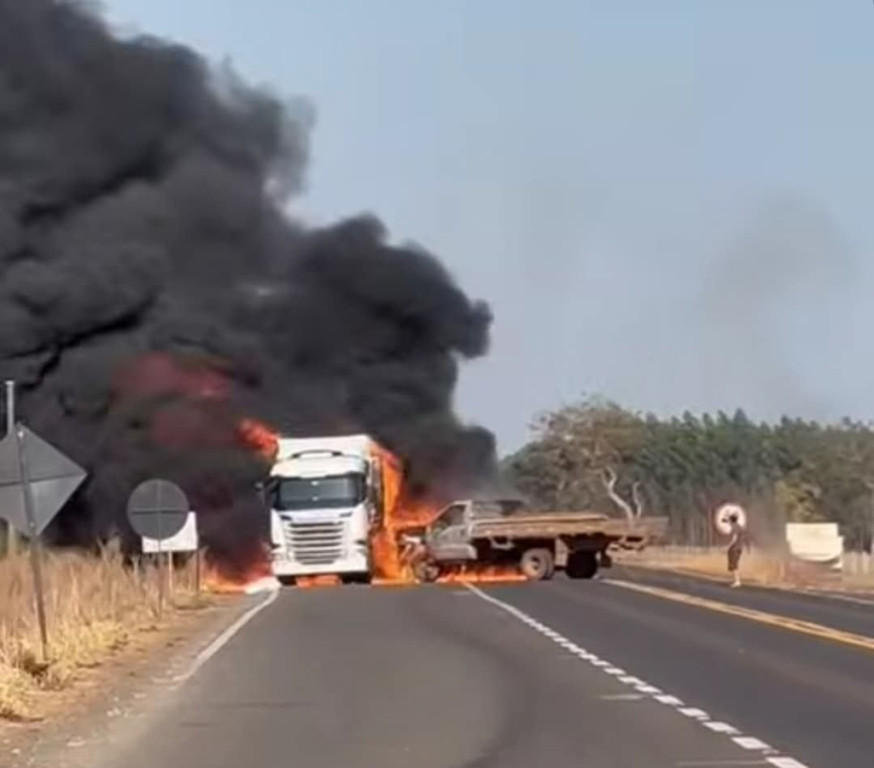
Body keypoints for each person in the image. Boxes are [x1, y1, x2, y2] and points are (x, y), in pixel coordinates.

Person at [727, 513, 745, 587]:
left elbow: (734, 538)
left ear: (731, 520)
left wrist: (729, 546)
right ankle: (736, 580)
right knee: (735, 564)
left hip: (735, 548)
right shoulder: (740, 527)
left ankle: (737, 581)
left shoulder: (734, 527)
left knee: (734, 565)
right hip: (740, 547)